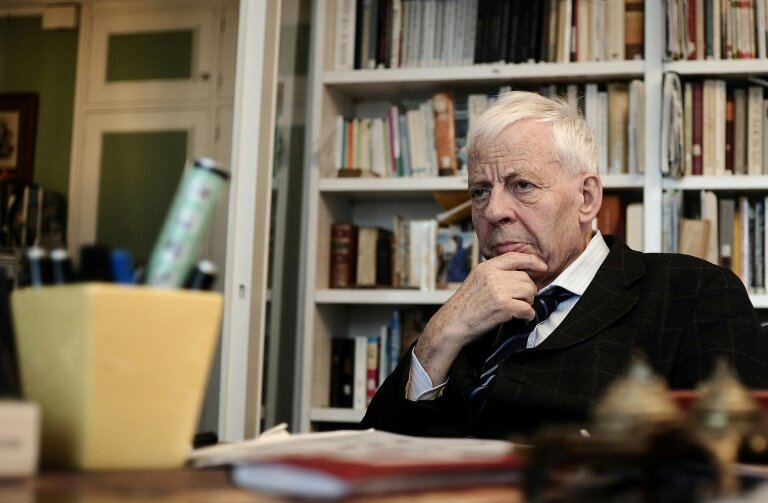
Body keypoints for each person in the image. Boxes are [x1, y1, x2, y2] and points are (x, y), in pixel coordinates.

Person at [361, 91, 768, 439]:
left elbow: (730, 464)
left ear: (586, 198)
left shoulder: (692, 294)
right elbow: (370, 448)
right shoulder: (469, 309)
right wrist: (437, 339)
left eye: (522, 185)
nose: (494, 211)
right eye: (480, 191)